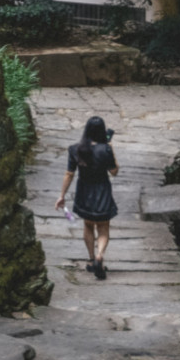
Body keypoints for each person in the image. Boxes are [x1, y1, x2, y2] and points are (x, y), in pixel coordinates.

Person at [55, 113, 119, 280]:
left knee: (88, 226)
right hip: (102, 191)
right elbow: (114, 172)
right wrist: (110, 148)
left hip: (84, 191)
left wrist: (61, 196)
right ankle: (100, 255)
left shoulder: (76, 149)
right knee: (103, 227)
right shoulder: (105, 149)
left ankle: (91, 260)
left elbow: (69, 174)